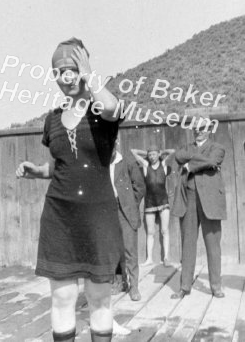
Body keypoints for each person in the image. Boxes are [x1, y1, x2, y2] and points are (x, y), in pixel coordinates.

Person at [16, 38, 123, 342]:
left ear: (85, 69)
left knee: (99, 298)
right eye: (59, 70)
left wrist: (89, 76)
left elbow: (113, 107)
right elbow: (59, 166)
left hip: (98, 218)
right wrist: (37, 171)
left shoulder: (102, 110)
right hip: (59, 219)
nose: (66, 76)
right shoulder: (51, 120)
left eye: (72, 68)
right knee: (62, 299)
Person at [171, 119, 226, 299]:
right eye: (195, 128)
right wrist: (200, 162)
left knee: (213, 245)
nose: (198, 131)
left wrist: (190, 164)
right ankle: (185, 286)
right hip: (189, 199)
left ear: (209, 130)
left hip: (210, 202)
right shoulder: (186, 147)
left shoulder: (217, 147)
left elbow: (212, 160)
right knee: (188, 244)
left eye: (202, 128)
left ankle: (216, 286)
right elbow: (178, 157)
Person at [110, 137, 145, 301]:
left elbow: (140, 187)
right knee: (114, 250)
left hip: (127, 212)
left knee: (130, 249)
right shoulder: (100, 164)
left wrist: (130, 203)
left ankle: (134, 286)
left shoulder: (128, 162)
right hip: (108, 211)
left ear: (116, 142)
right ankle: (120, 282)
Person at [131, 146, 175, 267]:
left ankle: (166, 257)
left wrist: (162, 152)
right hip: (149, 202)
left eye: (154, 154)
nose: (151, 157)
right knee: (150, 232)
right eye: (150, 155)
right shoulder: (146, 165)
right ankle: (149, 259)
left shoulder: (164, 164)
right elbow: (133, 151)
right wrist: (146, 152)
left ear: (158, 155)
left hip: (163, 201)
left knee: (164, 230)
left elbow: (173, 152)